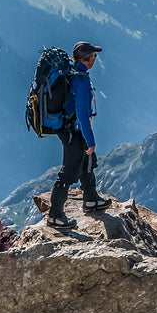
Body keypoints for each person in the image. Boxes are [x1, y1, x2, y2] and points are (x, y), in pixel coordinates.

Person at [46, 41, 110, 229]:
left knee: (87, 161)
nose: (95, 59)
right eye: (94, 56)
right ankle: (55, 215)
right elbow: (82, 114)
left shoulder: (72, 73)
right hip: (73, 131)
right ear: (88, 59)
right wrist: (90, 140)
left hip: (71, 128)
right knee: (68, 172)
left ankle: (91, 199)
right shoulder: (80, 80)